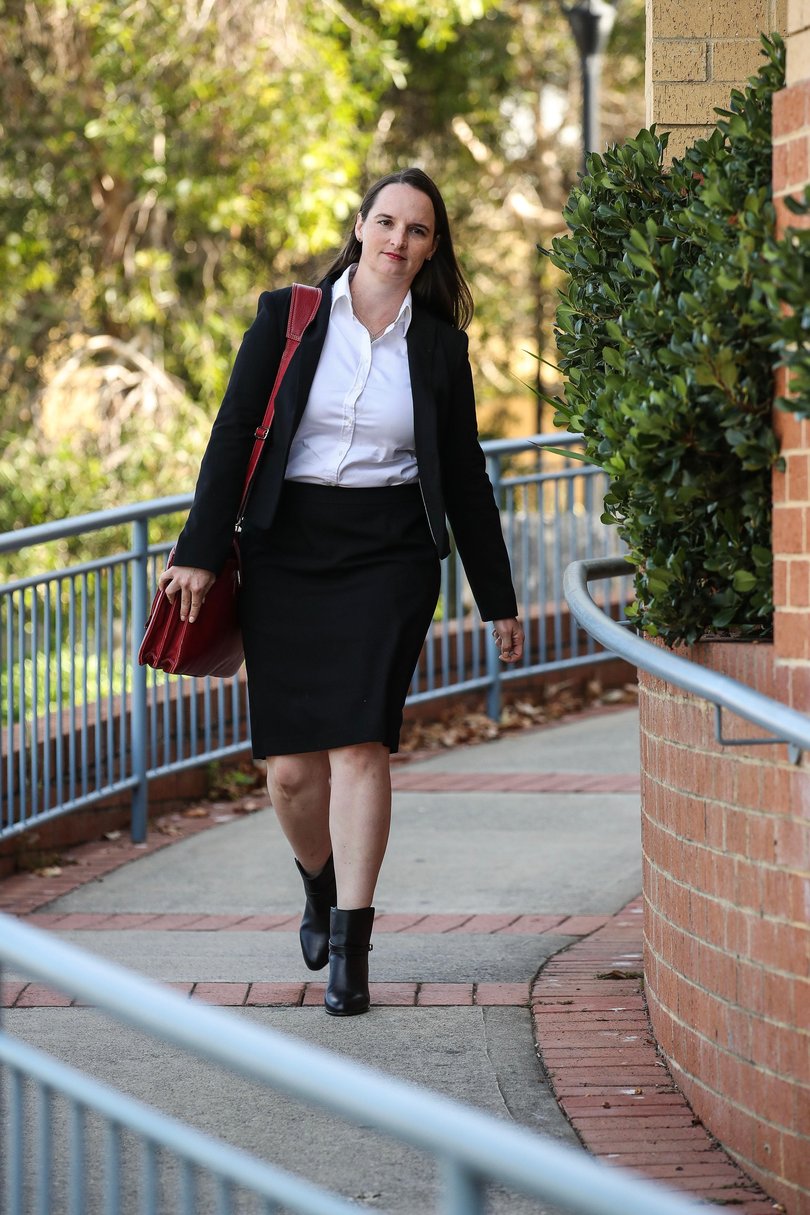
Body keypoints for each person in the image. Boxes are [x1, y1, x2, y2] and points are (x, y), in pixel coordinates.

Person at [160, 167, 524, 1016]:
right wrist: (200, 550)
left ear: (432, 249)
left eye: (418, 230)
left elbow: (465, 478)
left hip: (389, 554)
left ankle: (352, 951)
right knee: (291, 771)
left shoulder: (439, 347)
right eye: (387, 222)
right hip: (285, 549)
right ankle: (319, 888)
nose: (399, 240)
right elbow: (232, 431)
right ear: (360, 227)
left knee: (361, 744)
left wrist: (497, 599)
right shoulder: (287, 318)